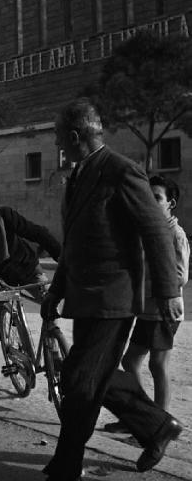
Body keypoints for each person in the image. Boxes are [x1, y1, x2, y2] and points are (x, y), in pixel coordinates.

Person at [41, 99, 183, 480]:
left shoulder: (121, 171)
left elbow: (156, 232)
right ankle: (155, 425)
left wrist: (169, 292)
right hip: (85, 297)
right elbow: (73, 243)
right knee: (85, 377)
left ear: (74, 137)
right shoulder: (78, 177)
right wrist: (56, 291)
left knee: (81, 380)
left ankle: (66, 464)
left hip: (114, 297)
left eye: (58, 136)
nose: (57, 142)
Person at [105, 176, 189, 435]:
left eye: (157, 198)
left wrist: (146, 285)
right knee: (131, 361)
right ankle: (139, 416)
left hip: (164, 311)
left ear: (170, 203)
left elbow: (180, 276)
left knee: (157, 365)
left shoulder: (175, 234)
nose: (150, 202)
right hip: (147, 310)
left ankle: (157, 425)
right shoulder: (149, 230)